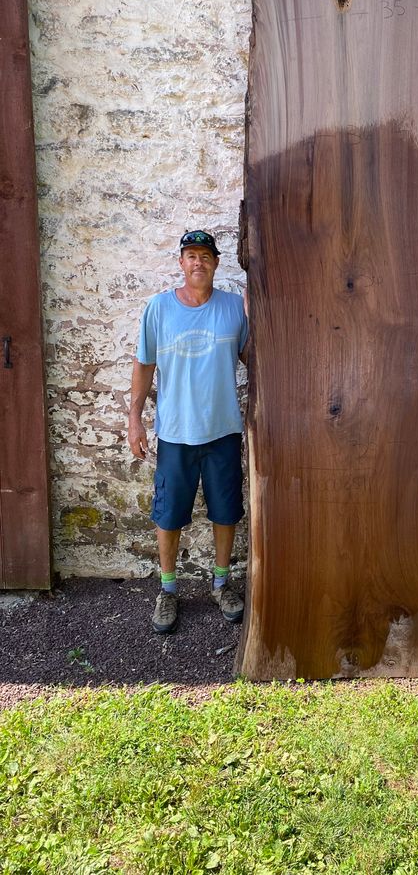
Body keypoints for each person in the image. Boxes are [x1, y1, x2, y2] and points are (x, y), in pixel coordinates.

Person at [127, 230, 249, 634]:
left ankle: (220, 583)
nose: (198, 262)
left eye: (206, 256)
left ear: (216, 263)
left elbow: (255, 358)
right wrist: (134, 419)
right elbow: (144, 366)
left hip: (223, 431)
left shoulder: (235, 308)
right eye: (191, 255)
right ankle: (167, 590)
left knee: (226, 511)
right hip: (176, 434)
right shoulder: (159, 309)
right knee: (169, 514)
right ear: (181, 262)